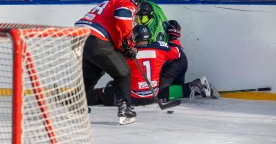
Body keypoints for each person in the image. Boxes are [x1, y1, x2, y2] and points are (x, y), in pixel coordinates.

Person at [90, 23, 219, 107]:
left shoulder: (126, 54)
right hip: (153, 96)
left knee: (104, 93)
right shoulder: (159, 48)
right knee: (165, 92)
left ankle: (80, 98)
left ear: (134, 38)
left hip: (134, 98)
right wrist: (174, 36)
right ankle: (195, 86)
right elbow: (178, 52)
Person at [74, 0, 142, 124]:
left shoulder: (109, 2)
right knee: (122, 72)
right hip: (97, 40)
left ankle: (77, 106)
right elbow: (122, 16)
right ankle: (125, 110)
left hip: (80, 39)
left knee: (92, 73)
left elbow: (110, 28)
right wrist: (129, 42)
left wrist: (122, 46)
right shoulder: (125, 2)